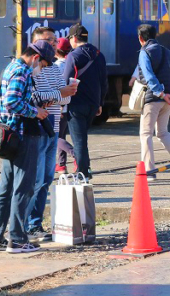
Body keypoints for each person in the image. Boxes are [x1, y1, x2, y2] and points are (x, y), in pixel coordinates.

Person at [0, 41, 54, 254]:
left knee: (6, 187)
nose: (42, 69)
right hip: (22, 136)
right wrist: (36, 112)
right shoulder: (22, 71)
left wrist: (36, 105)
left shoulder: (10, 67)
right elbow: (13, 102)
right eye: (44, 64)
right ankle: (18, 239)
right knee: (24, 187)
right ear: (36, 58)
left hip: (10, 136)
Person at [26, 33, 78, 241]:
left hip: (53, 128)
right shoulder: (32, 69)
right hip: (36, 130)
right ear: (36, 42)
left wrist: (65, 93)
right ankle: (27, 224)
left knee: (46, 179)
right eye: (47, 40)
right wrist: (58, 94)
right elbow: (33, 98)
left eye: (54, 41)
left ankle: (35, 224)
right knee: (34, 179)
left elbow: (62, 99)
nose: (52, 44)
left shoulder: (55, 69)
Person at [137, 23, 170, 178]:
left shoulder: (144, 52)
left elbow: (149, 76)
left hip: (153, 99)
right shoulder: (167, 52)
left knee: (146, 134)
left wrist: (160, 93)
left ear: (140, 38)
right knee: (163, 132)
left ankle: (150, 171)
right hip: (166, 99)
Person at [61, 23, 108, 180]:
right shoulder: (99, 54)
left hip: (76, 104)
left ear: (74, 38)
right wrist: (100, 103)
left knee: (79, 140)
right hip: (93, 104)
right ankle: (85, 170)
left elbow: (65, 81)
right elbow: (104, 82)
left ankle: (82, 174)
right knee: (83, 139)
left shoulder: (73, 56)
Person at [54, 37, 76, 174]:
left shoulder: (56, 66)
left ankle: (75, 154)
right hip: (68, 104)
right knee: (61, 135)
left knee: (55, 137)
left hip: (58, 105)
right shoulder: (71, 64)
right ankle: (61, 164)